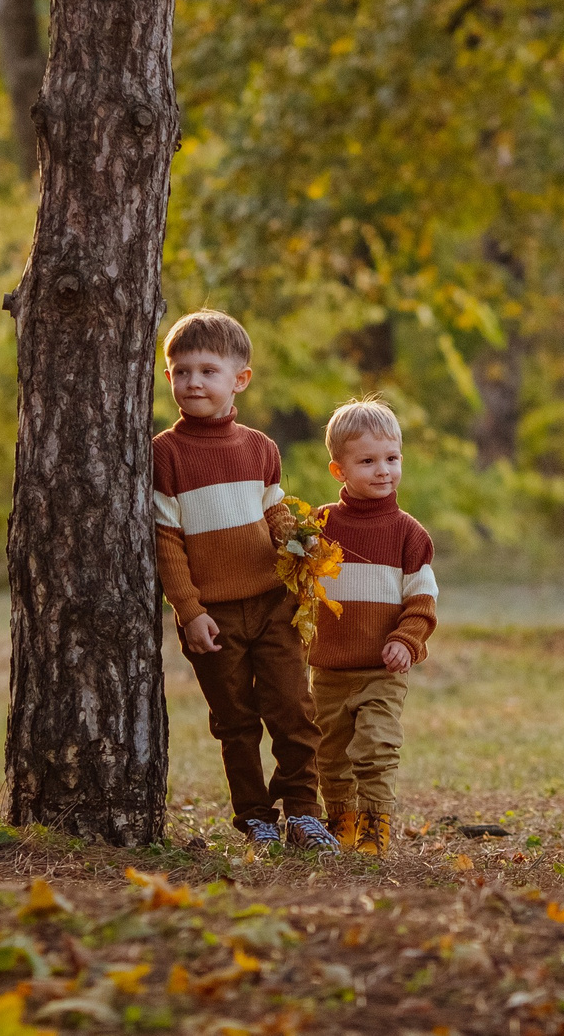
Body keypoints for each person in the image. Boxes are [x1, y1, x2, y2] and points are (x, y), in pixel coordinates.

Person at [152, 309, 338, 852]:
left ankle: (304, 811)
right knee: (234, 721)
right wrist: (189, 611)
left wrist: (302, 550)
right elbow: (168, 540)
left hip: (273, 602)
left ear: (240, 380)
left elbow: (274, 513)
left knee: (293, 711)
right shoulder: (165, 454)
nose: (193, 383)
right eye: (180, 372)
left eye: (208, 371)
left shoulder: (260, 448)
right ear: (168, 379)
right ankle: (254, 815)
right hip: (214, 615)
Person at [308, 398, 438, 855]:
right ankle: (340, 820)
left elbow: (423, 600)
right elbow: (297, 583)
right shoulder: (320, 526)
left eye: (391, 458)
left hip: (382, 670)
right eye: (367, 461)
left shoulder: (409, 534)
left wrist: (406, 639)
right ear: (338, 470)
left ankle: (374, 828)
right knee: (331, 752)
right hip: (328, 668)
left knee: (377, 747)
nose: (383, 470)